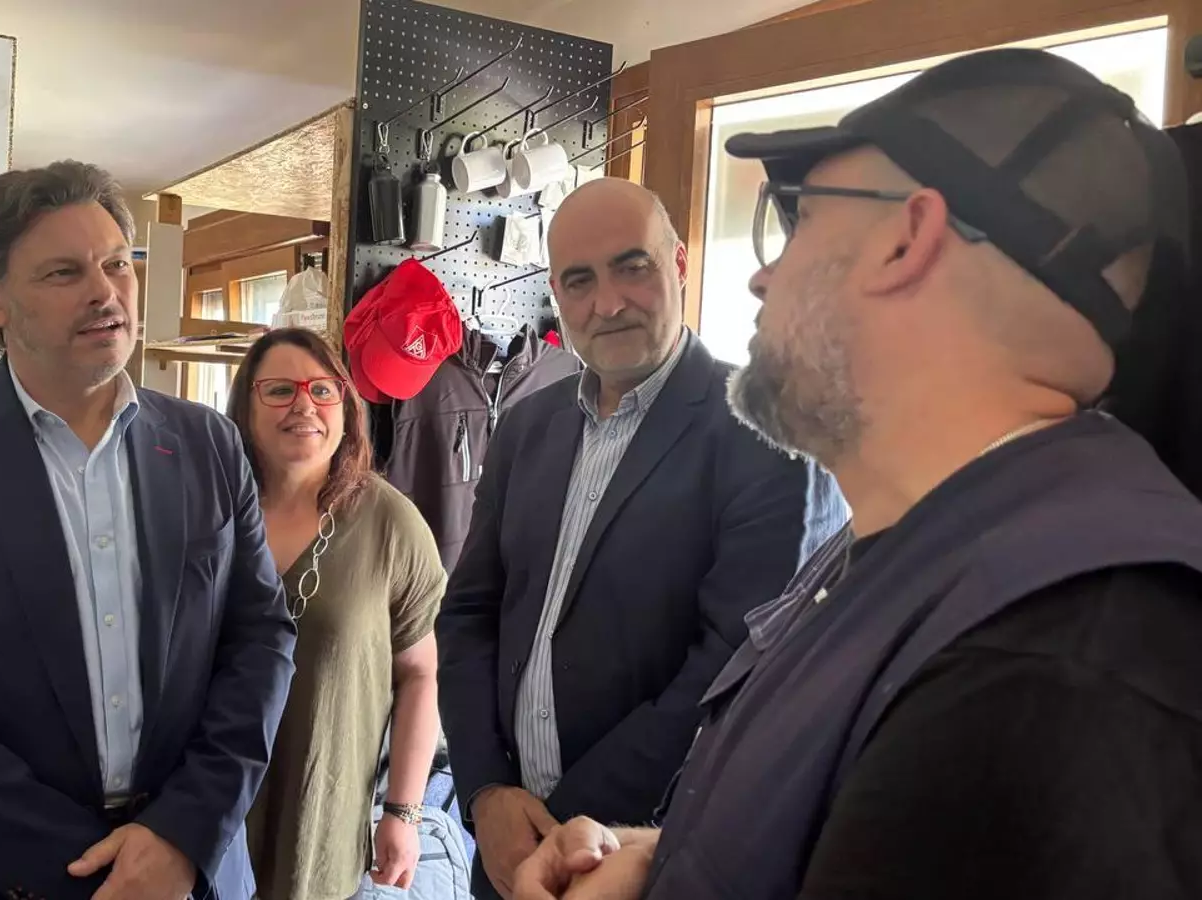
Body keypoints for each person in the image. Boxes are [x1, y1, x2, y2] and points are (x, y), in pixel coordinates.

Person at [515, 48, 1202, 900]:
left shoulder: (1057, 668)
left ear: (907, 240)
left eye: (797, 220)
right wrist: (659, 860)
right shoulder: (933, 550)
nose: (762, 274)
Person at [0, 160, 297, 900]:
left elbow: (261, 641)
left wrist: (180, 837)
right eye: (64, 273)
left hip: (186, 867)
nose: (105, 293)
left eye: (117, 264)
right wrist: (91, 874)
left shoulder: (209, 444)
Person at [437, 176, 825, 898]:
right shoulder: (526, 427)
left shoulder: (767, 432)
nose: (607, 303)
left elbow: (732, 668)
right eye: (578, 280)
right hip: (505, 846)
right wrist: (486, 792)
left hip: (645, 858)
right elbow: (467, 615)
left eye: (632, 267)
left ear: (678, 263)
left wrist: (564, 828)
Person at [226, 328, 447, 900]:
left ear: (346, 411)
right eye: (279, 390)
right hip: (208, 810)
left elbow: (421, 674)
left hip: (320, 828)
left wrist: (403, 812)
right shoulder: (210, 510)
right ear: (245, 408)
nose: (304, 404)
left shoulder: (391, 523)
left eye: (323, 390)